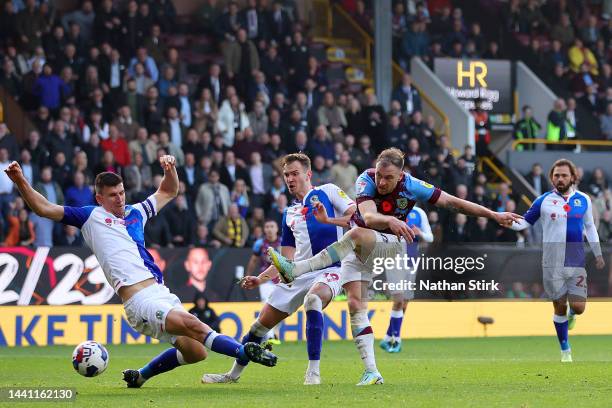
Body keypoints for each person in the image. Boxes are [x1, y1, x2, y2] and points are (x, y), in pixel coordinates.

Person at [4, 156, 276, 389]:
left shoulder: (137, 212)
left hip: (159, 292)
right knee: (194, 324)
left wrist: (170, 169)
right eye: (112, 195)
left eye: (121, 192)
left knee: (196, 352)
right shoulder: (90, 217)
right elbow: (44, 208)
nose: (120, 198)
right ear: (100, 198)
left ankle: (141, 376)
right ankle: (245, 351)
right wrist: (20, 180)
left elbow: (168, 191)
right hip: (138, 301)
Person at [268, 148, 521, 383]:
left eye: (388, 178)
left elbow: (454, 203)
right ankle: (372, 371)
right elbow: (366, 217)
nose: (381, 182)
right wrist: (389, 219)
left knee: (359, 238)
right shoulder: (365, 180)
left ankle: (298, 269)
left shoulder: (413, 186)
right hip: (360, 245)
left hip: (390, 244)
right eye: (379, 174)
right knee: (356, 304)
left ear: (401, 175)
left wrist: (494, 215)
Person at [202, 153, 354, 386]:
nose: (290, 179)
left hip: (330, 268)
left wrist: (328, 221)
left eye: (295, 173)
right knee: (258, 327)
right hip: (298, 273)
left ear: (308, 175)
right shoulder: (289, 213)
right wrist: (260, 279)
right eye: (286, 175)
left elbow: (355, 215)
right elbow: (286, 260)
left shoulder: (329, 191)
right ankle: (232, 375)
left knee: (313, 300)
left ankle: (313, 372)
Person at [510, 159, 604, 362]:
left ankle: (572, 315)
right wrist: (502, 219)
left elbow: (590, 227)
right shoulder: (543, 200)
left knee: (578, 307)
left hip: (576, 261)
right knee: (558, 306)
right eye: (556, 175)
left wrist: (597, 253)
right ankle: (565, 350)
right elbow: (523, 223)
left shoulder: (583, 200)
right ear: (552, 178)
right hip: (552, 263)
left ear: (573, 177)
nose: (559, 179)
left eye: (563, 175)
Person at [380, 205, 433, 353]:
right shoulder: (391, 209)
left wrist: (420, 233)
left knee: (405, 302)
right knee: (399, 299)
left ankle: (388, 336)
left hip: (411, 260)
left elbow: (430, 237)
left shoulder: (419, 212)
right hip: (394, 260)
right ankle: (396, 340)